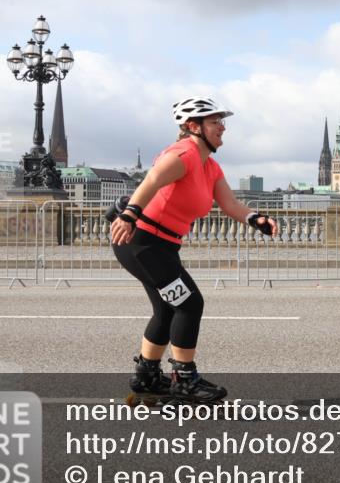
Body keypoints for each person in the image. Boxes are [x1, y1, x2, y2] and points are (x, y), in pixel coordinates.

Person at [110, 97, 278, 403]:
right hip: (142, 243)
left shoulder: (209, 165)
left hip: (162, 246)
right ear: (193, 127)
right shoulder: (184, 154)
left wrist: (256, 219)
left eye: (221, 122)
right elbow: (153, 180)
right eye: (215, 122)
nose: (222, 128)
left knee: (166, 308)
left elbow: (230, 204)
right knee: (189, 303)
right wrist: (130, 214)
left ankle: (147, 377)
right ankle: (185, 379)